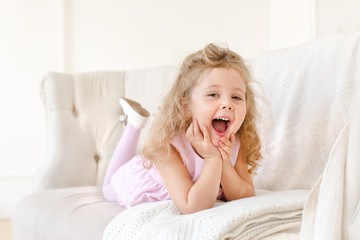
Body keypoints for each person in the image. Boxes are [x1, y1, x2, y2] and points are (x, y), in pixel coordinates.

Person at [103, 43, 262, 214]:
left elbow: (244, 195)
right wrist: (212, 158)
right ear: (186, 106)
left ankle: (135, 122)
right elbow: (192, 206)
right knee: (108, 188)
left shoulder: (237, 142)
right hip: (139, 180)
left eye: (236, 97)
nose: (227, 104)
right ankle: (134, 125)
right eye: (213, 94)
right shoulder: (168, 147)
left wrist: (223, 161)